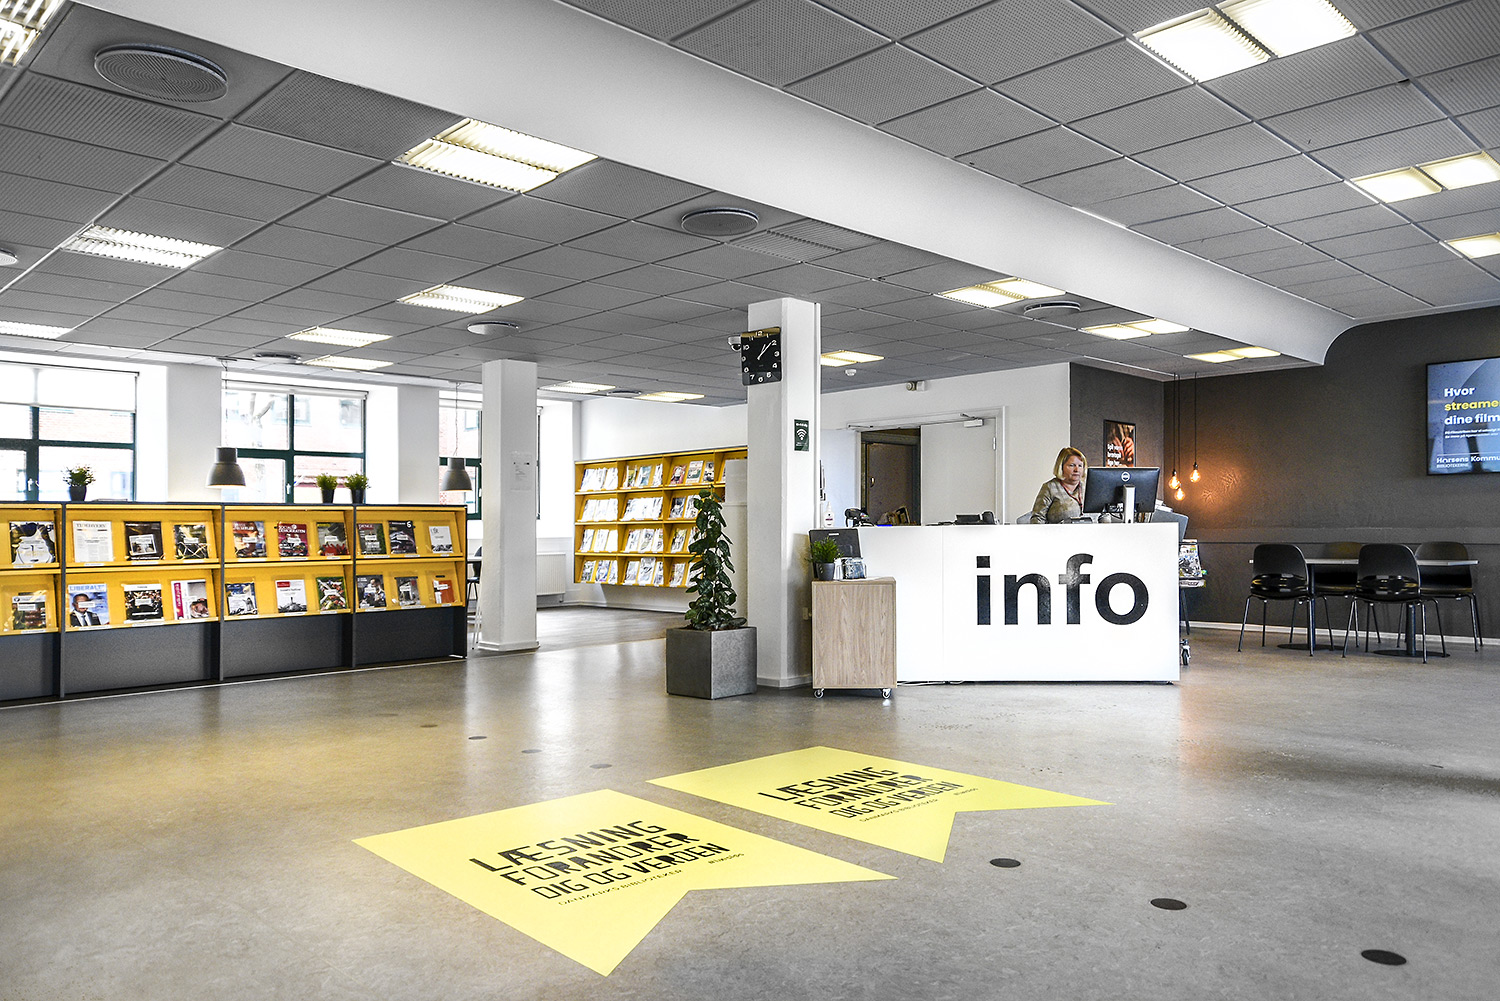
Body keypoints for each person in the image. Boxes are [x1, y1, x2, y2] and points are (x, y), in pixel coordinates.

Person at [1028, 447, 1088, 524]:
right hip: (1058, 531)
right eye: (1072, 465)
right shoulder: (1050, 487)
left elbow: (1101, 515)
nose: (1077, 470)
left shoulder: (1089, 487)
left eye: (1080, 466)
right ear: (1061, 466)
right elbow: (1037, 519)